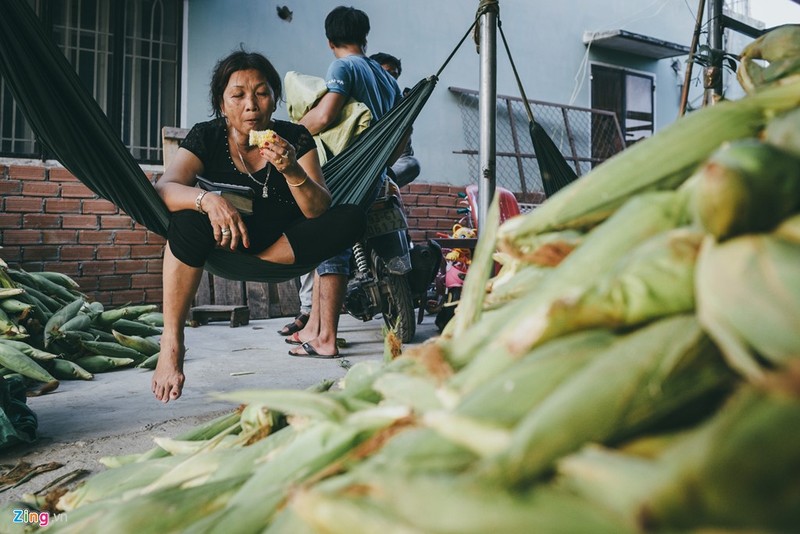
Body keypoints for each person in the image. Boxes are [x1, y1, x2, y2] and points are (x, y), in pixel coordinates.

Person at [151, 49, 366, 403]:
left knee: (351, 217)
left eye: (262, 93)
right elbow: (165, 188)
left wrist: (291, 169)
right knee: (187, 220)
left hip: (282, 248)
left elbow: (319, 210)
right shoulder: (207, 136)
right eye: (238, 95)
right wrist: (208, 200)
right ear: (222, 104)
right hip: (224, 243)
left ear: (274, 99)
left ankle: (265, 257)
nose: (251, 105)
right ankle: (172, 341)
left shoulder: (295, 138)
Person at [287, 6, 402, 358]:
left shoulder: (343, 66)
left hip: (347, 172)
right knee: (326, 244)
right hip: (373, 174)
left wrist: (284, 135)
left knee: (330, 245)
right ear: (364, 37)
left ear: (329, 40)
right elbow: (401, 138)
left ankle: (326, 339)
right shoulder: (387, 79)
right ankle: (314, 328)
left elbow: (325, 115)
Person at [369, 52, 421, 187]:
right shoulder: (364, 95)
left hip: (386, 165)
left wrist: (406, 116)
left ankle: (379, 184)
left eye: (394, 76)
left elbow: (404, 155)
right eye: (386, 73)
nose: (391, 80)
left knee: (412, 164)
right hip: (363, 160)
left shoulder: (397, 101)